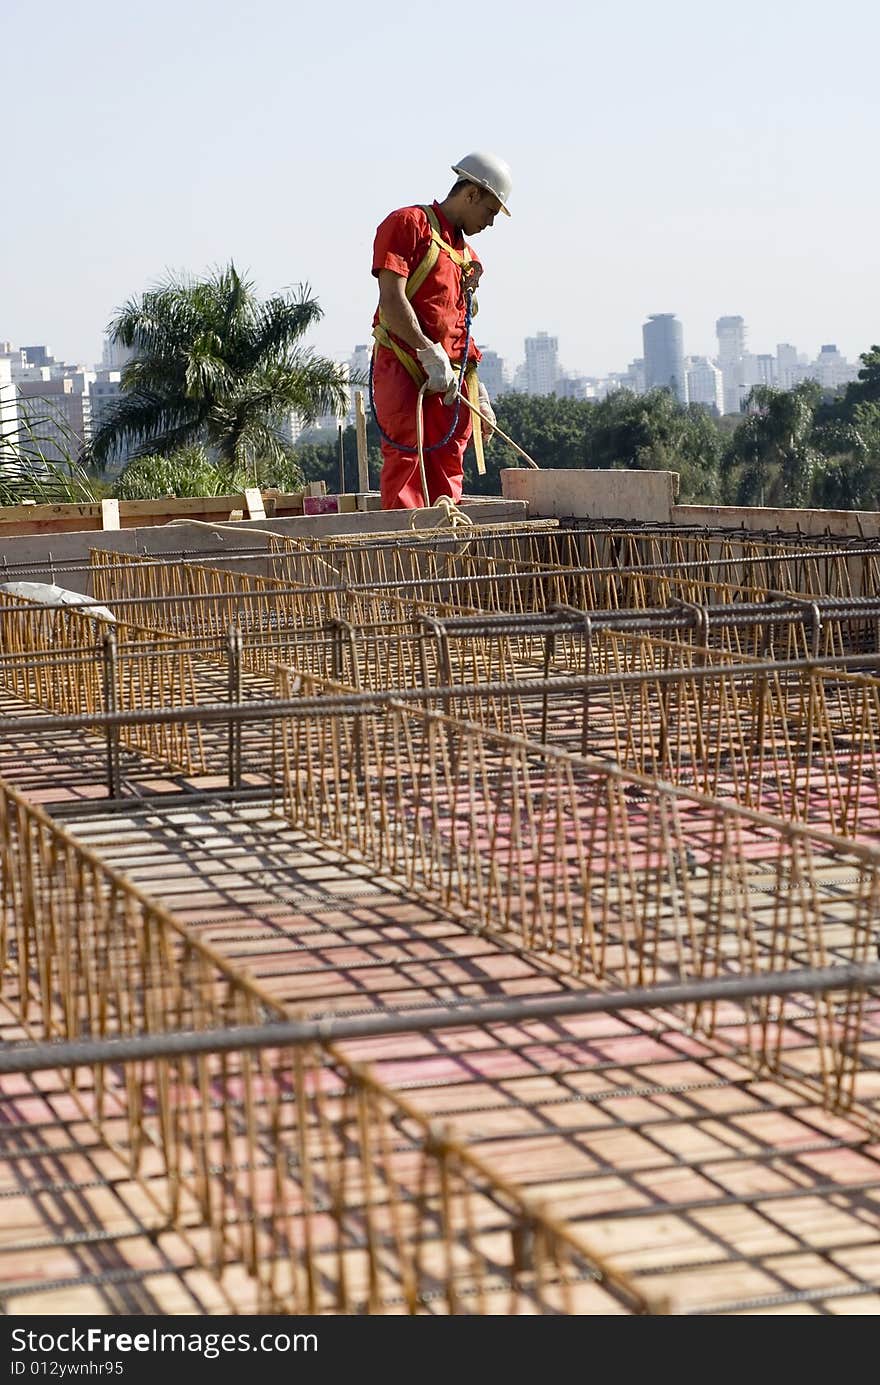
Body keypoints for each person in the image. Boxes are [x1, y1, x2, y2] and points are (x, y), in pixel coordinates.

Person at [370, 152, 512, 510]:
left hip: (450, 375)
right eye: (491, 211)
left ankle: (447, 550)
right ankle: (409, 556)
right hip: (404, 362)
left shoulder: (467, 257)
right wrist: (425, 350)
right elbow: (391, 299)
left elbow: (460, 325)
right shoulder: (408, 224)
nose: (491, 223)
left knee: (448, 460)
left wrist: (478, 391)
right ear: (473, 194)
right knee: (407, 458)